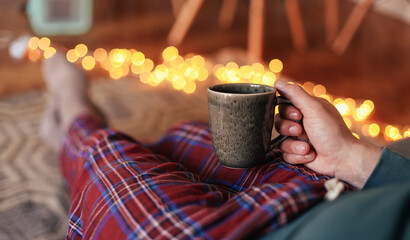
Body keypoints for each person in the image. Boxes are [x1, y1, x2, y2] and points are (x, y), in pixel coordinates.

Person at [41, 53, 410, 240]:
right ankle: (81, 145)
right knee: (184, 139)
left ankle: (75, 113)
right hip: (330, 195)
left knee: (122, 185)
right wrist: (351, 157)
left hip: (299, 222)